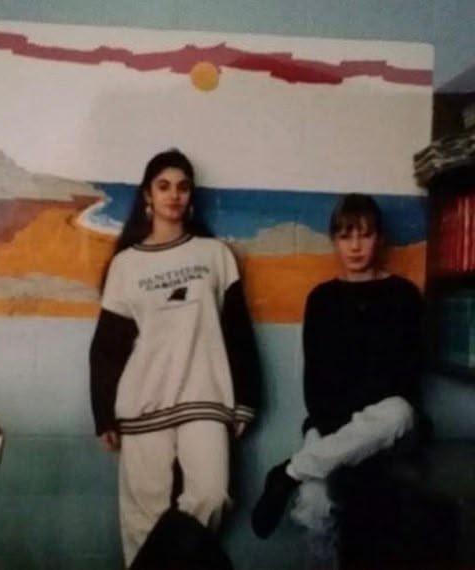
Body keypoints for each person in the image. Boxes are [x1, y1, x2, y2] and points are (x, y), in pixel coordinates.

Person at [89, 149, 261, 567]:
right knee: (143, 521)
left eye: (183, 187)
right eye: (164, 186)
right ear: (148, 195)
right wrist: (103, 413)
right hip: (143, 402)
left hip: (205, 397)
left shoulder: (214, 254)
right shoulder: (126, 264)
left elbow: (238, 331)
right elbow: (107, 347)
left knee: (210, 495)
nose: (174, 195)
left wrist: (247, 399)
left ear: (191, 196)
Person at [251, 193, 424, 557]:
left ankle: (289, 472)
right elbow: (316, 383)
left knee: (399, 410)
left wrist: (357, 423)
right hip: (331, 422)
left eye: (364, 235)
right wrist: (340, 433)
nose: (355, 246)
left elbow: (403, 378)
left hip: (387, 427)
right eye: (346, 236)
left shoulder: (404, 295)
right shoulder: (322, 299)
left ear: (379, 239)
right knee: (314, 501)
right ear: (334, 241)